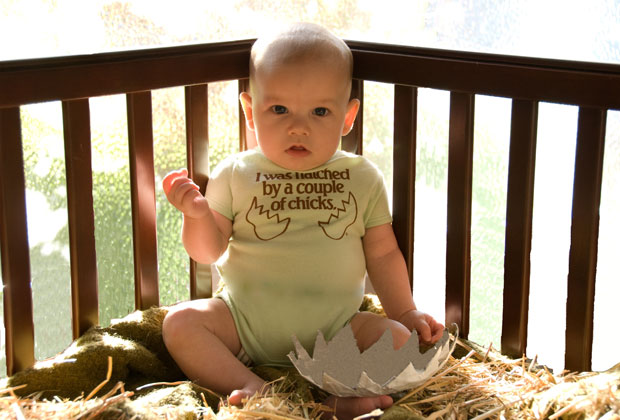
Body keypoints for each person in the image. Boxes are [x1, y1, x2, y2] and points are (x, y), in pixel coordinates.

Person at [162, 22, 444, 419]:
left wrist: (404, 312)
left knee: (401, 344)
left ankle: (336, 399)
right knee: (180, 323)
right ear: (250, 112)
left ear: (347, 118)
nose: (298, 126)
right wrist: (196, 215)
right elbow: (208, 249)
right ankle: (251, 387)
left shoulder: (362, 177)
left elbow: (382, 254)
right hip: (243, 325)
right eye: (279, 109)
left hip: (339, 330)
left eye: (320, 111)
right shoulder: (235, 173)